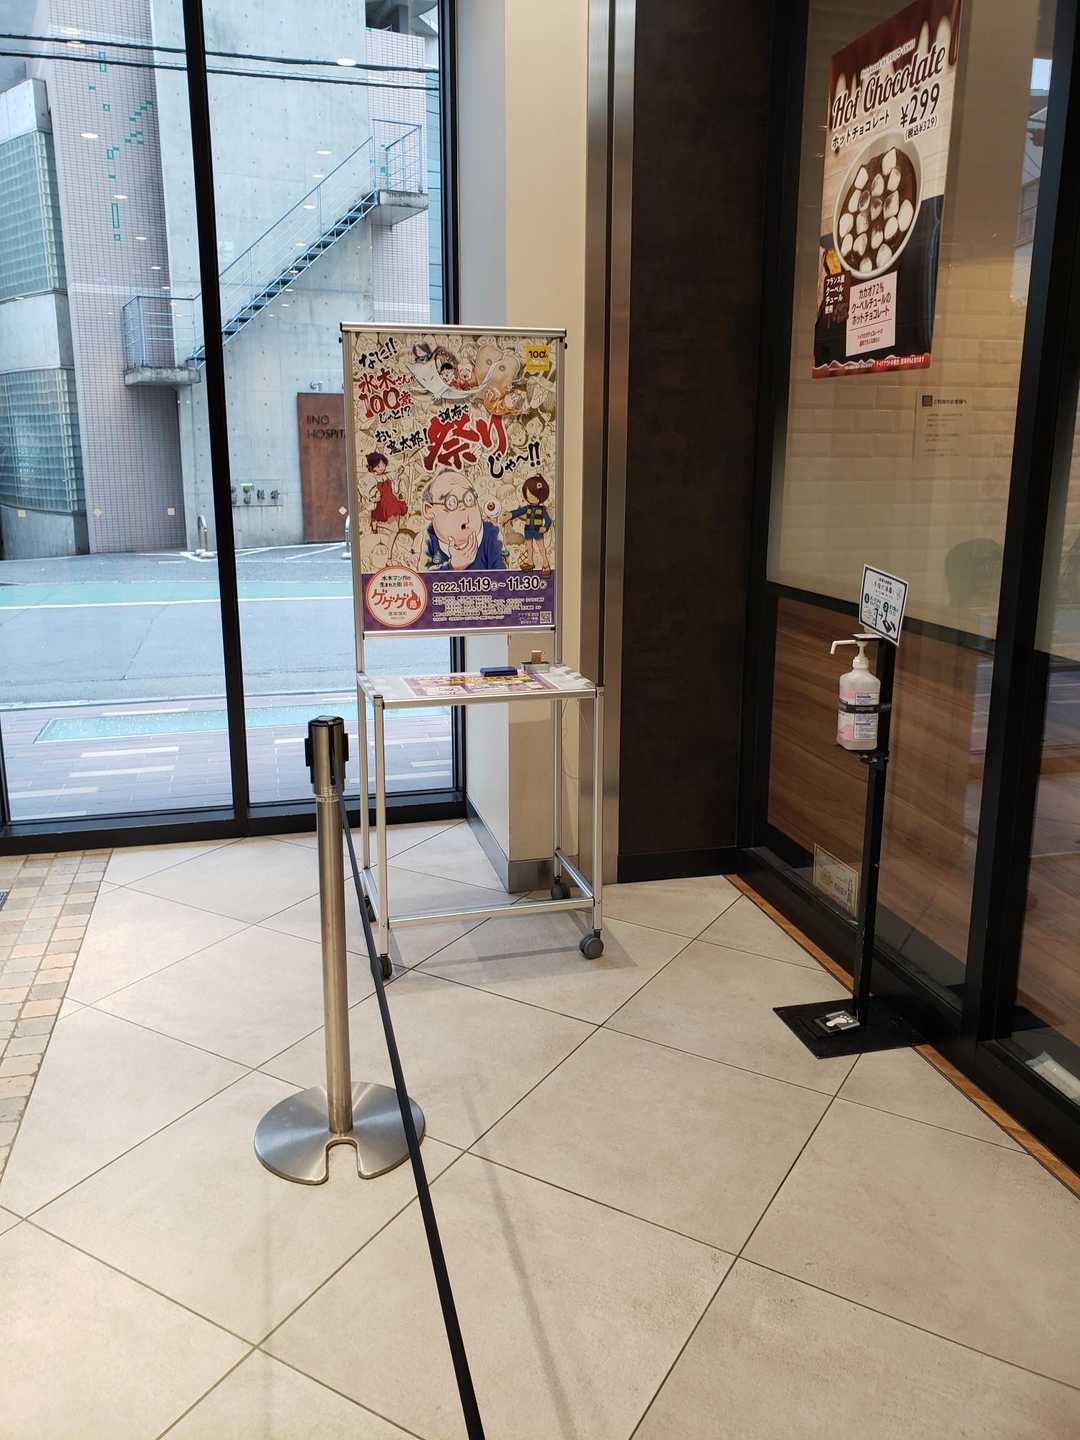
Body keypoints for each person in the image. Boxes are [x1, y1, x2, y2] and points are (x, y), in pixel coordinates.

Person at [421, 470, 506, 571]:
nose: (463, 508)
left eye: (469, 499)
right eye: (451, 503)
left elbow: (503, 576)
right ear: (428, 510)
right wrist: (453, 566)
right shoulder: (429, 538)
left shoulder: (492, 534)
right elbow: (421, 576)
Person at [504, 474, 553, 573]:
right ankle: (530, 562)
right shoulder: (527, 508)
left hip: (537, 531)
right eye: (528, 495)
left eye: (532, 495)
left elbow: (548, 520)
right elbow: (519, 511)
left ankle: (546, 565)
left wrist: (545, 527)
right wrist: (511, 514)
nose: (529, 497)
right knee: (529, 548)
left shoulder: (542, 509)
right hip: (528, 530)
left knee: (541, 548)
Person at [366, 452, 407, 533]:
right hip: (383, 504)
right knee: (395, 529)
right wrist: (373, 498)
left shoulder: (388, 475)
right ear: (373, 468)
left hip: (392, 501)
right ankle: (377, 524)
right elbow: (367, 492)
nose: (381, 468)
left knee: (394, 531)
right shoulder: (374, 479)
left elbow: (396, 489)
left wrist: (397, 476)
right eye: (378, 466)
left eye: (383, 465)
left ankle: (377, 525)